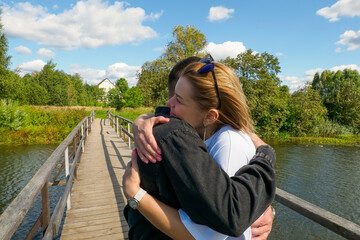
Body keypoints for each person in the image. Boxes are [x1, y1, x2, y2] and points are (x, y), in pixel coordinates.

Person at [122, 57, 276, 240]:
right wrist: (141, 121)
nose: (168, 104)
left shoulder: (228, 142)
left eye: (178, 99)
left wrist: (135, 194)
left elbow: (216, 232)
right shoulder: (199, 133)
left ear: (210, 116)